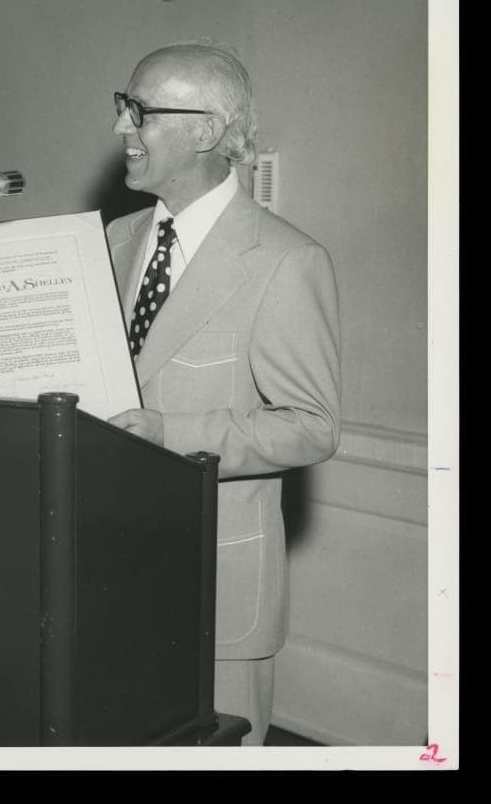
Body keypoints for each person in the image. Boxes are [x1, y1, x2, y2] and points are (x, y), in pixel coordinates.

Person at [103, 40, 341, 746]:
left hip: (218, 590)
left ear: (204, 131)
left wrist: (168, 433)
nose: (121, 129)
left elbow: (312, 426)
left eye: (138, 111)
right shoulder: (116, 238)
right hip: (109, 577)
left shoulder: (287, 261)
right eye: (124, 108)